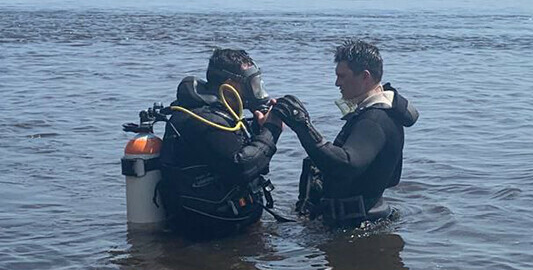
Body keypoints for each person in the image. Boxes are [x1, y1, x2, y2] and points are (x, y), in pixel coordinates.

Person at [272, 39, 418, 227]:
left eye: (342, 76)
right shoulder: (381, 112)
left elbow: (346, 165)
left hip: (359, 225)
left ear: (365, 76)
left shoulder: (374, 119)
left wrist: (302, 126)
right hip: (366, 219)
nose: (336, 83)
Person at [159, 48, 283, 238]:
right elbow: (241, 168)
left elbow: (247, 159)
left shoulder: (220, 115)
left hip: (226, 224)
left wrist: (259, 130)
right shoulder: (205, 120)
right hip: (210, 231)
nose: (256, 90)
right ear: (230, 85)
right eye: (251, 84)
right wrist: (271, 130)